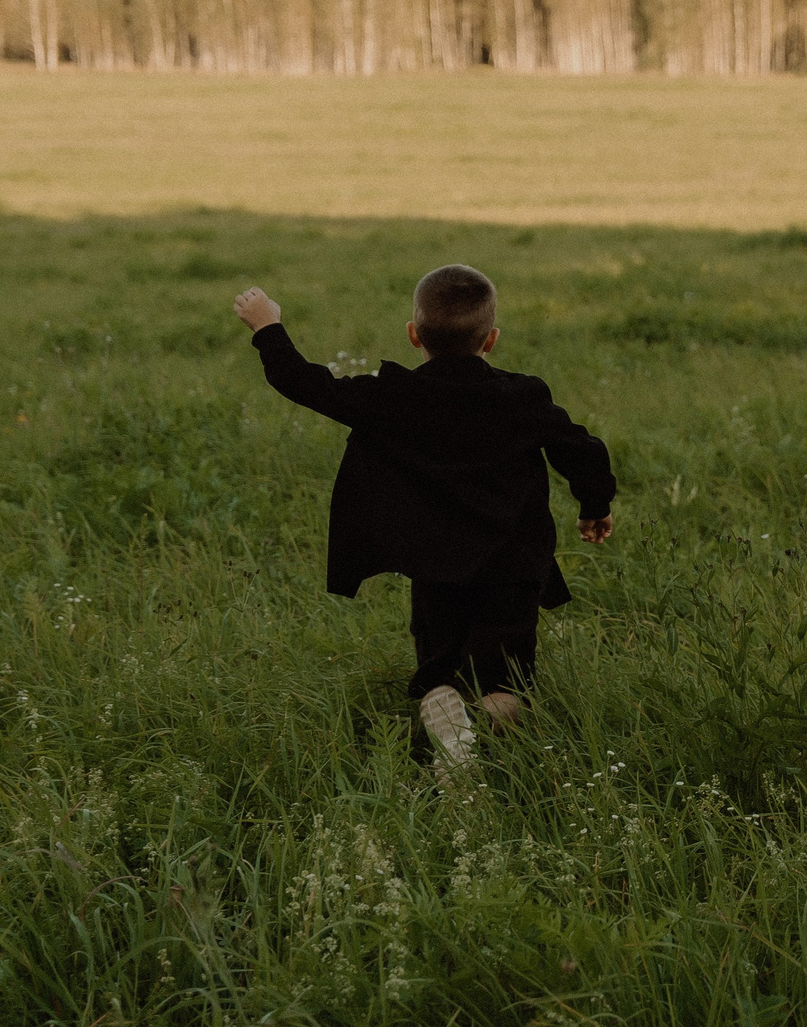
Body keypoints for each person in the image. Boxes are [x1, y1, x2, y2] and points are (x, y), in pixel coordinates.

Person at [232, 265, 617, 774]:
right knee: (506, 681)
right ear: (492, 340)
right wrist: (594, 507)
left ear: (413, 335)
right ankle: (492, 731)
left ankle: (447, 714)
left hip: (434, 564)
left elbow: (305, 383)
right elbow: (583, 450)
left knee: (440, 666)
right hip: (514, 563)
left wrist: (268, 326)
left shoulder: (393, 397)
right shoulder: (523, 396)